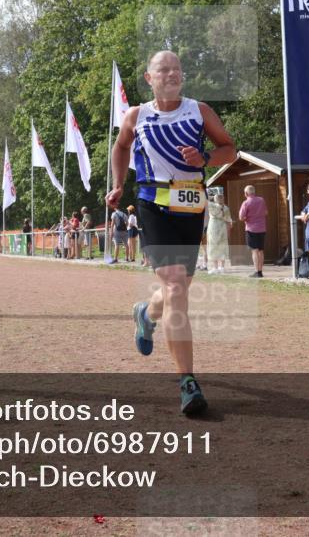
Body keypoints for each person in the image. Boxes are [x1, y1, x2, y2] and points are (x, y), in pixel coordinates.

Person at [106, 50, 236, 416]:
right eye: (164, 70)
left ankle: (146, 314)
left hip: (191, 207)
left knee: (175, 291)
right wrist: (119, 184)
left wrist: (206, 159)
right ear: (149, 78)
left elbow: (230, 150)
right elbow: (120, 147)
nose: (172, 74)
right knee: (176, 286)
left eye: (177, 69)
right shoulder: (137, 115)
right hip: (154, 205)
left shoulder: (199, 111)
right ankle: (188, 382)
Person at [238, 185, 268, 278]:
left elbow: (241, 217)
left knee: (254, 251)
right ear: (254, 192)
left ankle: (256, 271)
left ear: (246, 193)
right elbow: (266, 212)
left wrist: (248, 218)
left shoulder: (246, 202)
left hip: (251, 229)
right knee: (261, 251)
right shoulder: (262, 200)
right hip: (262, 228)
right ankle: (261, 271)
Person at [206, 192, 233, 274]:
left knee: (213, 246)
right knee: (223, 246)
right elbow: (229, 220)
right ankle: (222, 267)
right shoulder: (226, 208)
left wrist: (210, 197)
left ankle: (215, 268)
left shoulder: (212, 206)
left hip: (213, 227)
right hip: (222, 227)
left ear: (215, 199)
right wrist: (228, 230)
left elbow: (205, 201)